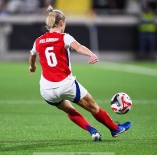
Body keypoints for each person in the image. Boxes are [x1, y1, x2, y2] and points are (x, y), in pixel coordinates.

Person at [29, 5, 131, 141]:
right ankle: (115, 128)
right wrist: (91, 54)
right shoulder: (64, 37)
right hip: (65, 84)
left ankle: (93, 131)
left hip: (46, 90)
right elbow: (78, 47)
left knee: (70, 110)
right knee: (93, 107)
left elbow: (32, 55)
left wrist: (32, 66)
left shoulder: (38, 40)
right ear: (61, 23)